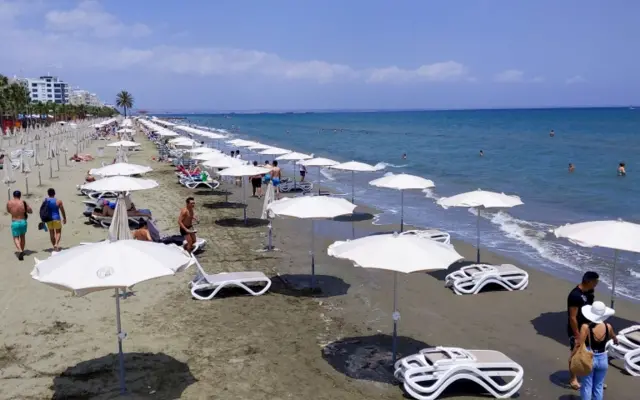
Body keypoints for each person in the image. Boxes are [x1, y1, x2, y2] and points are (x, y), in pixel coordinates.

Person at [571, 301, 617, 400]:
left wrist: (572, 355)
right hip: (603, 358)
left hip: (589, 358)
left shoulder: (586, 327)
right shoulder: (608, 326)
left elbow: (579, 344)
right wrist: (616, 340)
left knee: (587, 385)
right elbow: (614, 337)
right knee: (598, 386)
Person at [567, 271, 599, 390]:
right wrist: (577, 335)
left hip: (588, 326)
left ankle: (589, 377)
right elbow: (572, 317)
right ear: (589, 281)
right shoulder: (575, 295)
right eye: (596, 281)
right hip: (577, 329)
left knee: (590, 352)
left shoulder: (590, 293)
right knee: (575, 353)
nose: (596, 284)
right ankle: (573, 378)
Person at [6, 190, 32, 260]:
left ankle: (19, 250)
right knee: (22, 236)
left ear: (13, 196)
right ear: (20, 196)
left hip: (15, 222)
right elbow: (30, 211)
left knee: (15, 237)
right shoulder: (23, 202)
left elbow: (8, 211)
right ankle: (22, 251)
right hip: (23, 221)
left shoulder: (9, 202)